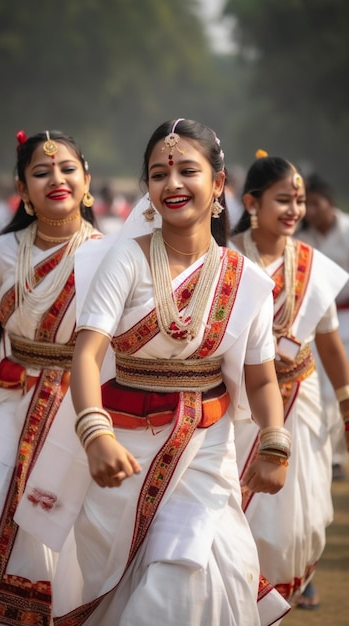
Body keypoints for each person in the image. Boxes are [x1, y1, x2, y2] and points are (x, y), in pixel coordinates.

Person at [21, 118, 291, 626]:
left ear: (218, 182)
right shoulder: (124, 260)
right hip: (124, 454)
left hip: (205, 456)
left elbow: (259, 379)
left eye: (188, 170)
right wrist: (95, 434)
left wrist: (275, 443)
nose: (172, 184)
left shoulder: (245, 281)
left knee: (196, 574)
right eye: (158, 174)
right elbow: (86, 354)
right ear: (146, 187)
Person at [0, 130, 101, 625]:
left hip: (78, 412)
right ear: (22, 189)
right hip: (9, 400)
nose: (57, 178)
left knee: (59, 542)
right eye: (41, 171)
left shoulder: (112, 255)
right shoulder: (3, 252)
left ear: (86, 180)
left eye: (68, 168)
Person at [230, 153, 349, 610]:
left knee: (306, 517)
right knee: (247, 507)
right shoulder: (227, 257)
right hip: (242, 402)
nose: (295, 210)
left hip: (301, 399)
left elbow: (331, 344)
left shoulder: (312, 264)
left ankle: (284, 587)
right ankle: (245, 591)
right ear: (252, 203)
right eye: (284, 199)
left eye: (298, 200)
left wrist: (346, 403)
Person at [297, 173, 349, 480]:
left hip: (347, 315)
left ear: (330, 202)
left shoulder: (347, 231)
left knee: (339, 388)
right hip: (316, 321)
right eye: (307, 205)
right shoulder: (302, 238)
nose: (311, 211)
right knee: (323, 389)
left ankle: (337, 454)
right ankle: (331, 458)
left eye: (316, 203)